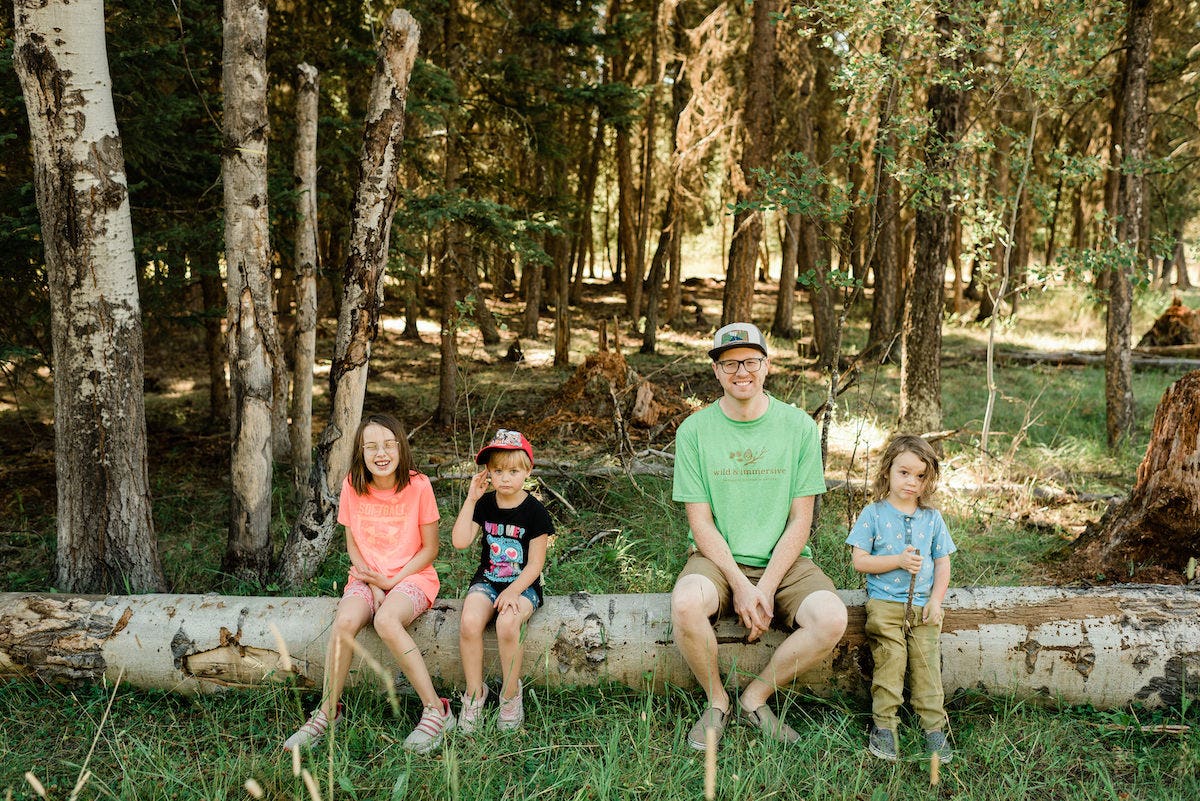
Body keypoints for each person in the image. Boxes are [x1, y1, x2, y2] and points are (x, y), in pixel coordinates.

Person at [671, 322, 848, 750]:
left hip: (784, 563)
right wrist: (739, 585)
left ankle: (754, 697)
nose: (741, 371)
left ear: (766, 366)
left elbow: (800, 520)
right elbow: (701, 522)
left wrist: (765, 587)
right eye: (730, 363)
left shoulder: (799, 427)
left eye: (750, 361)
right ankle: (717, 701)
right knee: (685, 601)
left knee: (832, 618)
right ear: (716, 372)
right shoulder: (694, 432)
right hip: (718, 559)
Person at [283, 413, 454, 755]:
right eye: (371, 446)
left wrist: (391, 581)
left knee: (386, 620)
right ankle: (328, 712)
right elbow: (353, 545)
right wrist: (374, 584)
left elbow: (431, 548)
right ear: (360, 452)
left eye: (389, 444)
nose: (381, 453)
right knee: (345, 621)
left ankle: (437, 711)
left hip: (412, 576)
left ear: (400, 447)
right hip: (365, 577)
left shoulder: (418, 485)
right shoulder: (352, 485)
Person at [846, 434, 956, 763]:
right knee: (891, 663)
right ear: (887, 473)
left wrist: (936, 600)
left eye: (921, 476)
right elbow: (859, 560)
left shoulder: (932, 518)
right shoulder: (874, 513)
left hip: (923, 606)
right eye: (904, 473)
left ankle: (934, 729)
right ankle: (884, 727)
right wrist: (897, 560)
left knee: (926, 667)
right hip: (884, 606)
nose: (912, 482)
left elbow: (943, 562)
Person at [452, 429, 552, 734]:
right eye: (497, 471)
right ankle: (474, 695)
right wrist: (471, 499)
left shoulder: (535, 512)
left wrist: (513, 591)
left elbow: (535, 565)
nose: (505, 478)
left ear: (527, 471)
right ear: (488, 473)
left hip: (523, 584)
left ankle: (510, 697)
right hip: (488, 580)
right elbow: (459, 541)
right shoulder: (484, 505)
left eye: (513, 471)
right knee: (470, 623)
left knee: (508, 624)